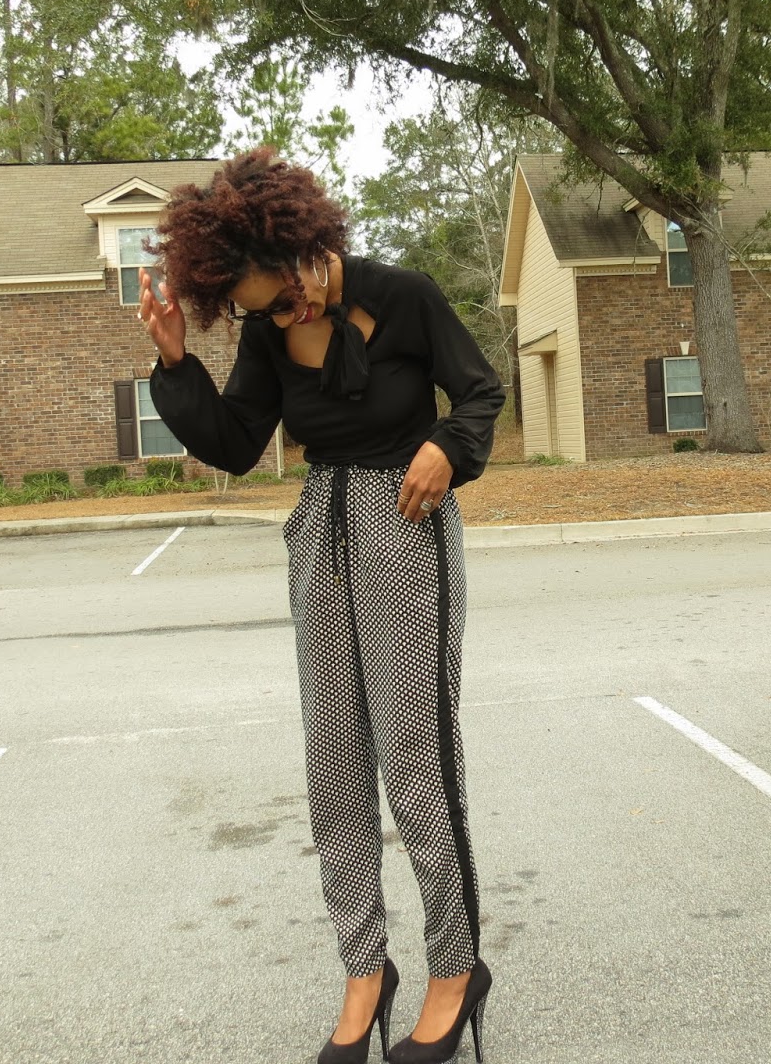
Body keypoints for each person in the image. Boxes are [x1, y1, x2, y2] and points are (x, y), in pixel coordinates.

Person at [136, 147, 502, 1064]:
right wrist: (176, 364)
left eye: (287, 294)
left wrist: (447, 446)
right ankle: (364, 969)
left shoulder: (406, 295)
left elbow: (481, 390)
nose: (285, 315)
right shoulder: (267, 330)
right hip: (320, 534)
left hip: (405, 527)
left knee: (416, 759)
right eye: (261, 309)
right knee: (334, 763)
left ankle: (456, 967)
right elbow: (234, 442)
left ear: (303, 244)